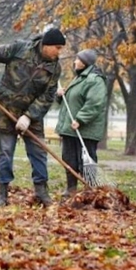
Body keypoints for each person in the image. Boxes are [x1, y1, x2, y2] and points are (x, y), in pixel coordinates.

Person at [0, 28, 67, 207]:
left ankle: (41, 192)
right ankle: (3, 193)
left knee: (38, 153)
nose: (60, 52)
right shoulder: (20, 49)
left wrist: (29, 116)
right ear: (46, 45)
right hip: (6, 108)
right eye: (58, 48)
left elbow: (48, 96)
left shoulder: (55, 68)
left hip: (32, 115)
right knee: (6, 153)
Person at [55, 49, 107, 200]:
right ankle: (71, 189)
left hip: (85, 130)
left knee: (86, 161)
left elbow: (95, 103)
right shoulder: (79, 79)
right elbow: (71, 102)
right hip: (70, 129)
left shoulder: (94, 80)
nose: (74, 62)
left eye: (77, 59)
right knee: (69, 159)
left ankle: (89, 191)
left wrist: (80, 119)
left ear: (84, 63)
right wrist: (60, 95)